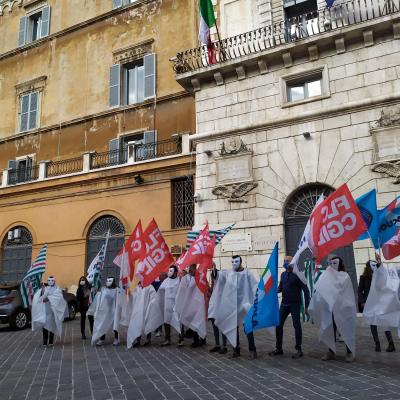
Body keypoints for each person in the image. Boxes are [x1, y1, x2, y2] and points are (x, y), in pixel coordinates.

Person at [208, 255, 258, 359]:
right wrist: (213, 268)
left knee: (247, 328)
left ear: (240, 262)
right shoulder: (230, 273)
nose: (234, 263)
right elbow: (219, 276)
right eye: (232, 262)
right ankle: (236, 350)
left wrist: (256, 299)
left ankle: (253, 351)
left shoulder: (247, 273)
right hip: (233, 305)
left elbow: (254, 286)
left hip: (245, 305)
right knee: (233, 328)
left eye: (236, 261)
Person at [309, 256, 356, 363]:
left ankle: (350, 352)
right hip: (330, 309)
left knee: (346, 329)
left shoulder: (345, 276)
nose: (333, 265)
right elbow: (320, 290)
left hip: (344, 308)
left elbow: (347, 293)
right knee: (330, 329)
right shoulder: (326, 276)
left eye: (335, 263)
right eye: (331, 263)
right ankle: (331, 351)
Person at [269, 256, 310, 359]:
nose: (285, 262)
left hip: (295, 304)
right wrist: (272, 291)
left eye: (287, 261)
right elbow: (280, 288)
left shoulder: (298, 275)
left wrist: (307, 306)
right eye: (284, 260)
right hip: (284, 304)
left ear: (293, 262)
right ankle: (279, 348)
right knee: (278, 325)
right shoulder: (283, 275)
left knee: (296, 326)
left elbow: (306, 290)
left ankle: (298, 349)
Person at [361, 255, 397, 352]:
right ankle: (377, 343)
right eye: (371, 265)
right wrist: (363, 301)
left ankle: (391, 344)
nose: (373, 267)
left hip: (380, 303)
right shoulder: (364, 277)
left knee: (384, 321)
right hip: (370, 303)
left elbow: (384, 277)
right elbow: (360, 290)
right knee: (372, 323)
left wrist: (380, 262)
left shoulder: (379, 275)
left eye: (375, 265)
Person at [146, 265, 181, 346]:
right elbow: (160, 291)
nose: (169, 272)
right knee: (166, 322)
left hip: (176, 304)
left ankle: (181, 339)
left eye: (171, 271)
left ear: (176, 272)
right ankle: (167, 339)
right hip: (167, 305)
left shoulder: (179, 280)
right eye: (169, 270)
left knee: (179, 321)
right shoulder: (166, 281)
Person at [174, 264, 207, 348]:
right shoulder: (185, 278)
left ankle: (202, 339)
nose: (189, 270)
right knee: (193, 321)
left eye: (191, 268)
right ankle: (195, 340)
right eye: (189, 268)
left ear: (195, 268)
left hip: (198, 302)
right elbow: (182, 289)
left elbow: (204, 287)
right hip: (189, 303)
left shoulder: (200, 276)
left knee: (199, 320)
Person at [31, 276, 68, 347]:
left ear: (54, 281)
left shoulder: (57, 289)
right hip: (45, 311)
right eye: (49, 280)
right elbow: (39, 297)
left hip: (53, 311)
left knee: (52, 326)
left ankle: (51, 341)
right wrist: (42, 291)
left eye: (52, 280)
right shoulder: (45, 288)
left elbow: (59, 298)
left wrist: (49, 298)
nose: (50, 281)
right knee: (45, 327)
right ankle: (45, 342)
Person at [127, 280, 157, 348]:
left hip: (147, 309)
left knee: (147, 323)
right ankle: (138, 339)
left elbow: (154, 297)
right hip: (138, 309)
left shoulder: (150, 287)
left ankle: (148, 339)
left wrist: (150, 305)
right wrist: (129, 292)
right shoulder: (137, 288)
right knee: (138, 323)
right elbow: (133, 296)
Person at [91, 277, 119, 346]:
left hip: (114, 310)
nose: (108, 282)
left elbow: (119, 299)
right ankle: (102, 339)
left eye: (110, 281)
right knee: (103, 323)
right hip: (105, 310)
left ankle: (116, 339)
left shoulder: (116, 290)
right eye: (107, 280)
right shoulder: (104, 290)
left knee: (115, 325)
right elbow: (100, 299)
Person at [208, 263, 227, 354]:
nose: (212, 278)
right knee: (214, 324)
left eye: (212, 276)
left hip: (221, 305)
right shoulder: (214, 282)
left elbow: (215, 273)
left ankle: (224, 346)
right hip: (213, 305)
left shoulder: (220, 278)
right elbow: (212, 291)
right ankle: (217, 344)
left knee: (222, 325)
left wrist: (213, 267)